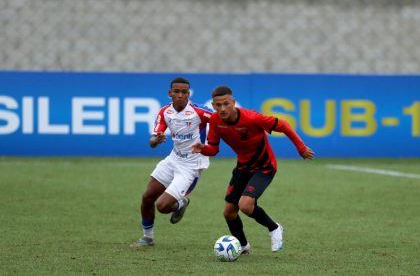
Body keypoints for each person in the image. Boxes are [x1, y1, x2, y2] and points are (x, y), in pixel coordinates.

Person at [192, 85, 314, 253]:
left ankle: (274, 228)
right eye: (218, 105)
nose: (222, 108)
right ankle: (243, 245)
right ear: (213, 106)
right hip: (243, 167)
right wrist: (202, 148)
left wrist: (301, 148)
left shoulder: (251, 118)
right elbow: (213, 149)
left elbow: (284, 125)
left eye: (226, 104)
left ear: (233, 103)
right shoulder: (214, 121)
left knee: (246, 205)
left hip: (264, 166)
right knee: (229, 212)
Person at [131, 77, 213, 247]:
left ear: (188, 94)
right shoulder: (165, 112)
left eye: (184, 92)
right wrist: (155, 140)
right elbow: (153, 139)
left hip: (191, 166)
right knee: (147, 197)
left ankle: (180, 203)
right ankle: (147, 237)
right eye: (176, 92)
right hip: (173, 159)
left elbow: (222, 120)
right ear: (170, 93)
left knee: (162, 206)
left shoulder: (199, 111)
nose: (180, 95)